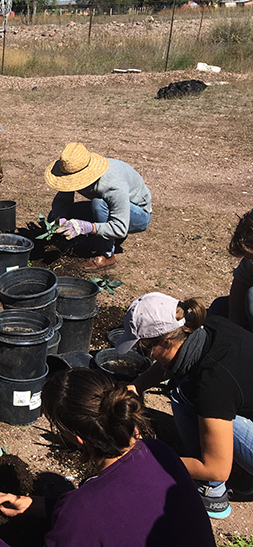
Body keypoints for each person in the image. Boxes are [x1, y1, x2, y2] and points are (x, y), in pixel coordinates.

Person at [0, 368, 215, 547]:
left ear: (77, 438)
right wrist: (32, 504)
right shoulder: (159, 453)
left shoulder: (83, 513)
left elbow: (91, 515)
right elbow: (115, 515)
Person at [119, 292, 253, 519]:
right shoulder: (204, 327)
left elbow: (217, 468)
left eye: (145, 348)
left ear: (167, 341)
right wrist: (137, 385)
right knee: (183, 383)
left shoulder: (213, 383)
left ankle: (211, 492)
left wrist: (143, 460)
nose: (147, 355)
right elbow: (173, 362)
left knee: (183, 393)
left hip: (218, 454)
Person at [45, 142, 151, 271]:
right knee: (68, 212)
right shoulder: (74, 169)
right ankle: (101, 233)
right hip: (113, 206)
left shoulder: (112, 185)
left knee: (99, 204)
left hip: (138, 214)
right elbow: (62, 199)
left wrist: (87, 227)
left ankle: (107, 255)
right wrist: (59, 218)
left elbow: (120, 228)